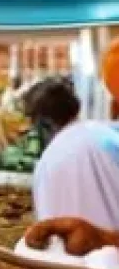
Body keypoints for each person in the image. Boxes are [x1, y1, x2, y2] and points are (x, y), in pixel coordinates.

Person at [23, 75, 119, 232]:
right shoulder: (108, 136)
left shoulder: (45, 164)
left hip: (66, 255)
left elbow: (45, 228)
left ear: (43, 123)